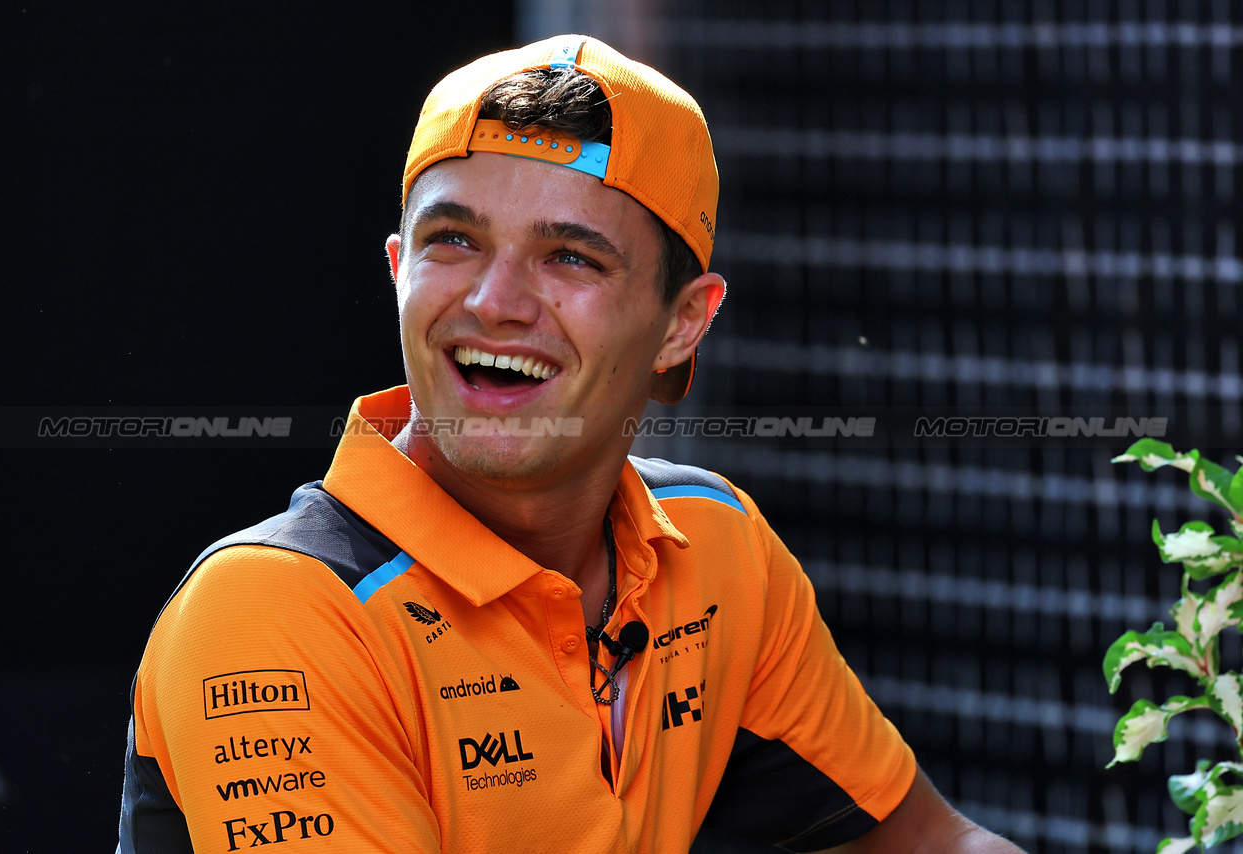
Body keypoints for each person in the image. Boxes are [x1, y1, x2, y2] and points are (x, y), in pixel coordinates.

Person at [117, 34, 1023, 853]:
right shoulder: (275, 611)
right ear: (398, 271)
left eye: (571, 258)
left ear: (683, 324)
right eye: (455, 241)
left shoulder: (714, 544)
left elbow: (932, 845)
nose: (495, 301)